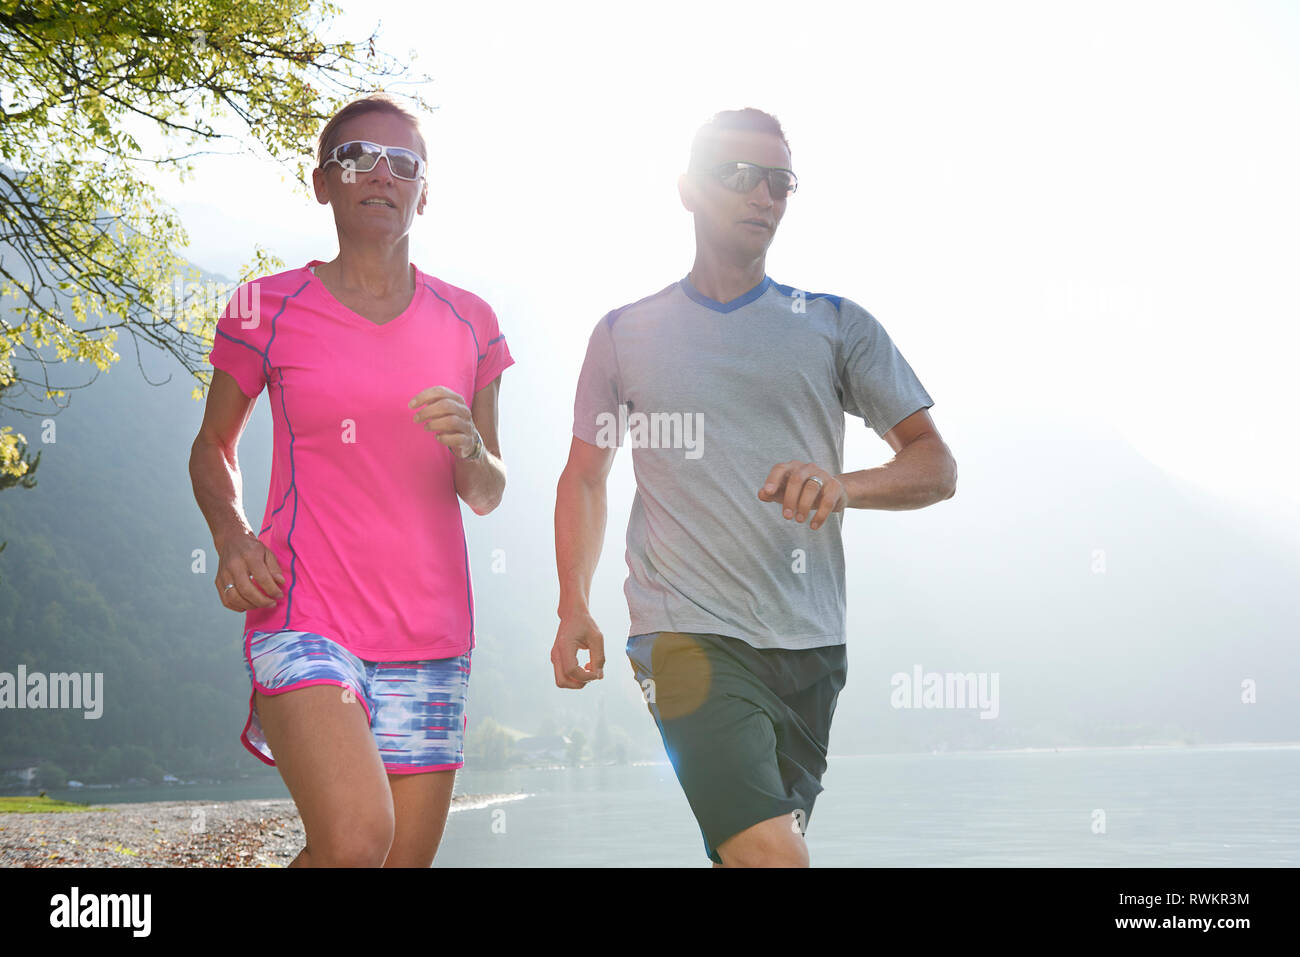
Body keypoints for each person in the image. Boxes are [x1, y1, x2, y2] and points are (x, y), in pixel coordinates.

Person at [551, 108, 956, 867]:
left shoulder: (836, 324)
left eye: (779, 181)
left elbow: (937, 465)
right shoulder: (623, 332)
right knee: (776, 856)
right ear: (687, 189)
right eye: (739, 176)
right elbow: (585, 477)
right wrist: (574, 601)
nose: (763, 196)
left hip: (812, 645)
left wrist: (843, 485)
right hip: (685, 636)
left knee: (756, 855)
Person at [189, 94, 513, 867]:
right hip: (305, 613)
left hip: (432, 637)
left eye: (404, 164)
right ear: (322, 182)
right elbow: (212, 445)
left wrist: (470, 443)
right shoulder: (263, 305)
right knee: (356, 839)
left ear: (423, 193)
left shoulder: (472, 320)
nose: (381, 173)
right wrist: (230, 535)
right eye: (357, 157)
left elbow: (489, 489)